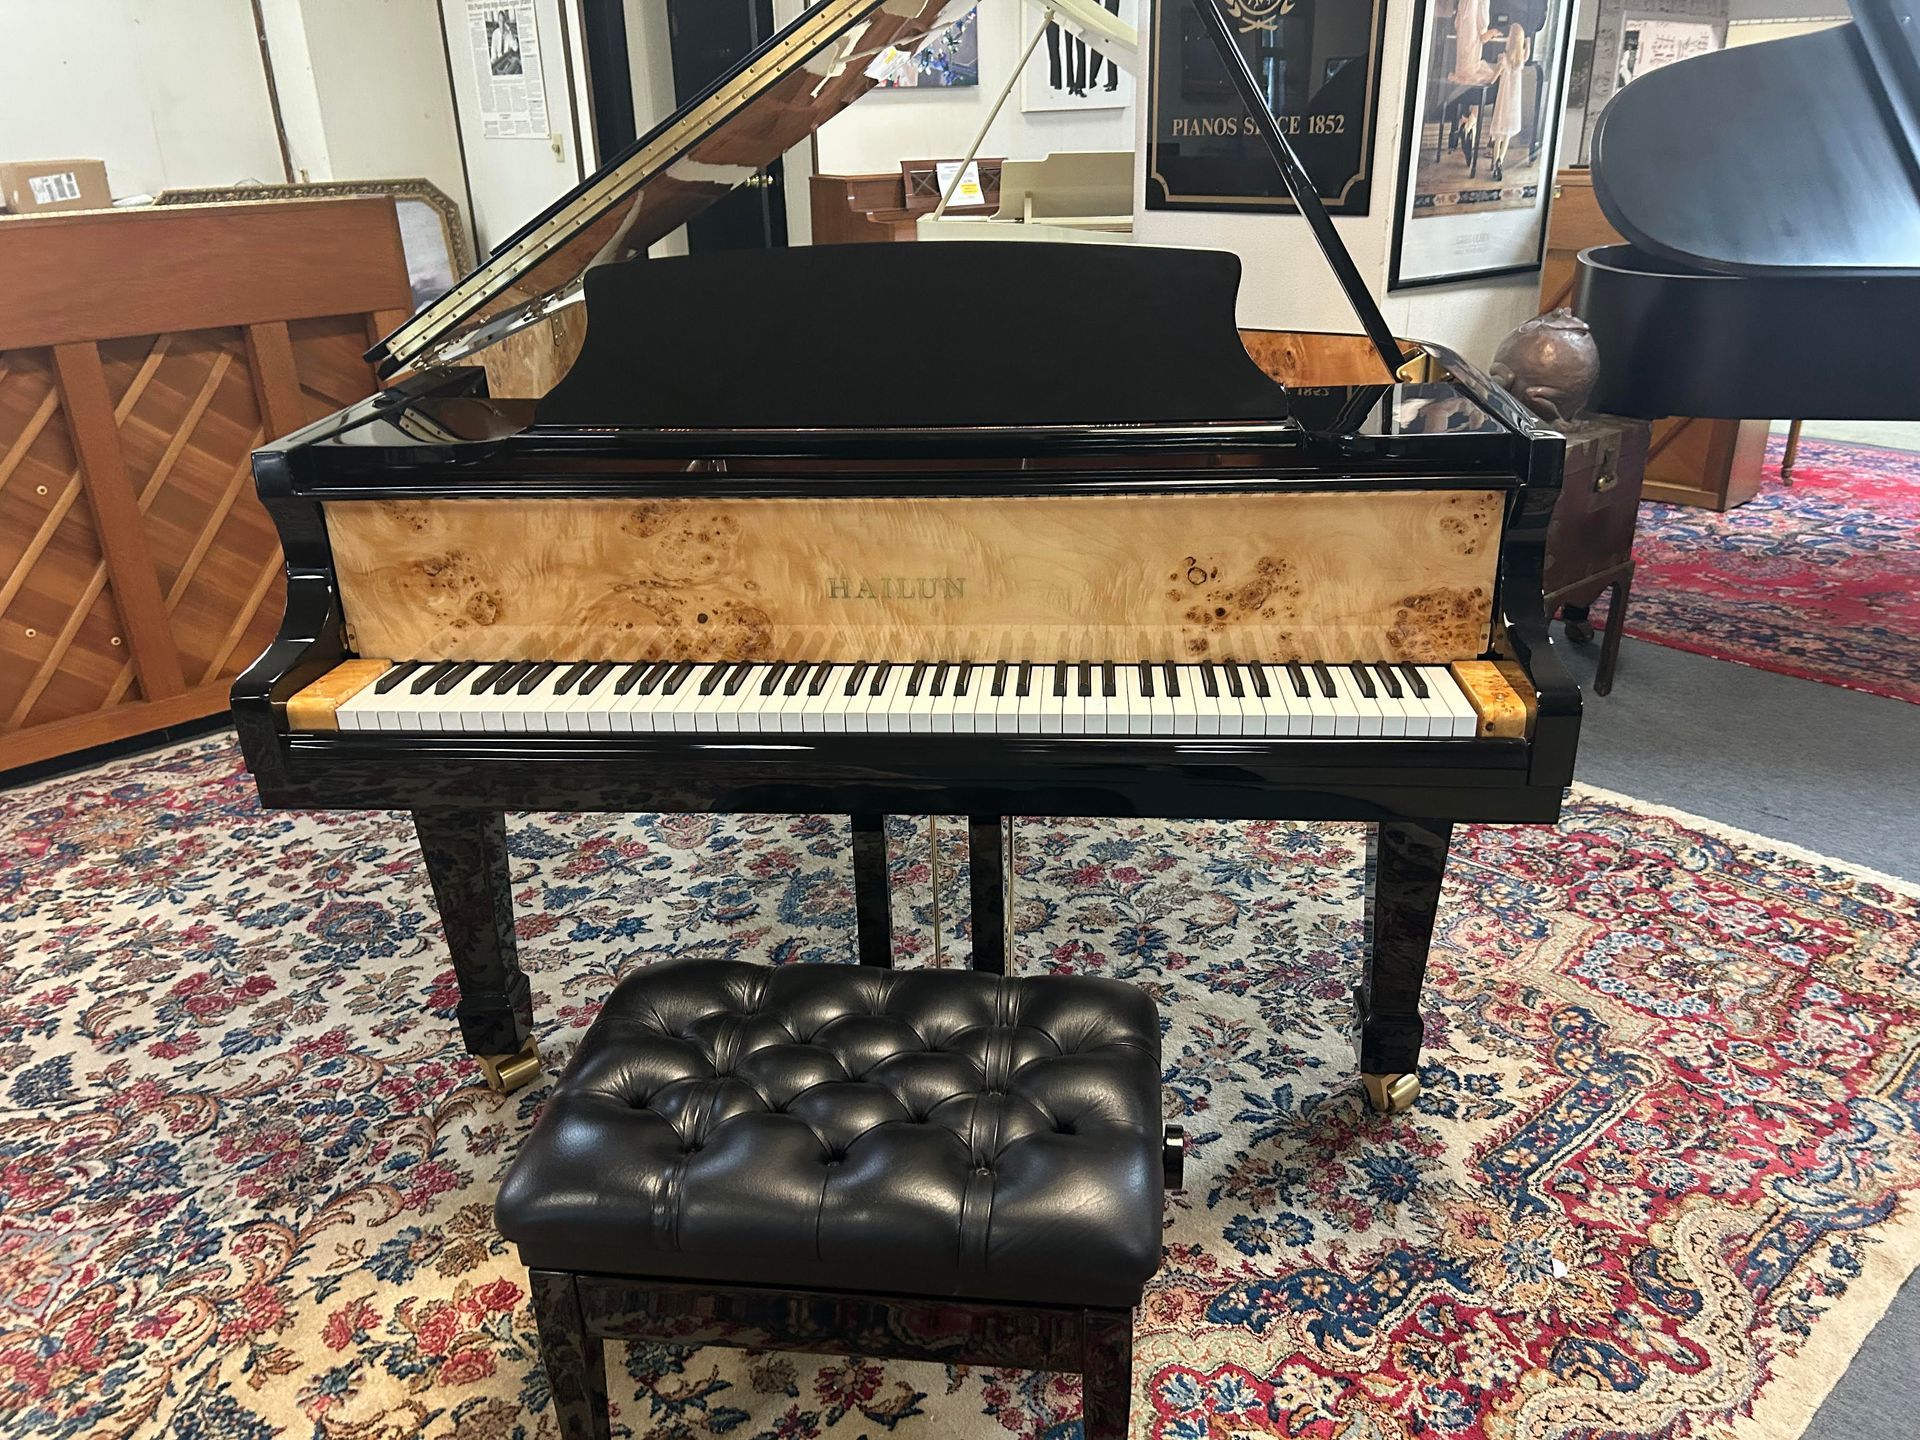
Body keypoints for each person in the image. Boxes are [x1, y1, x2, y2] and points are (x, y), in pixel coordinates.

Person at [1488, 23, 1528, 181]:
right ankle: (1500, 162)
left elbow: (1493, 79)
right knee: (1507, 136)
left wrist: (1489, 76)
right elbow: (1526, 54)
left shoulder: (1503, 59)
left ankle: (1494, 162)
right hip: (1514, 102)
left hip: (1503, 101)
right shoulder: (1520, 61)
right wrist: (1528, 43)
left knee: (1498, 135)